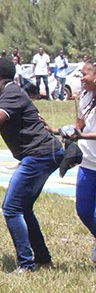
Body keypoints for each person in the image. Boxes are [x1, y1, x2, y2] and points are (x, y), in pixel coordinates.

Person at [0, 58, 64, 272]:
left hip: (40, 155)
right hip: (46, 153)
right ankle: (43, 260)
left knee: (11, 208)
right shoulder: (10, 91)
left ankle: (27, 265)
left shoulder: (11, 93)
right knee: (24, 208)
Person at [61, 58, 96, 262]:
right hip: (88, 163)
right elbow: (79, 126)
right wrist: (66, 131)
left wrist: (80, 136)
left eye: (84, 74)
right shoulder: (85, 97)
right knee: (83, 211)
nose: (81, 78)